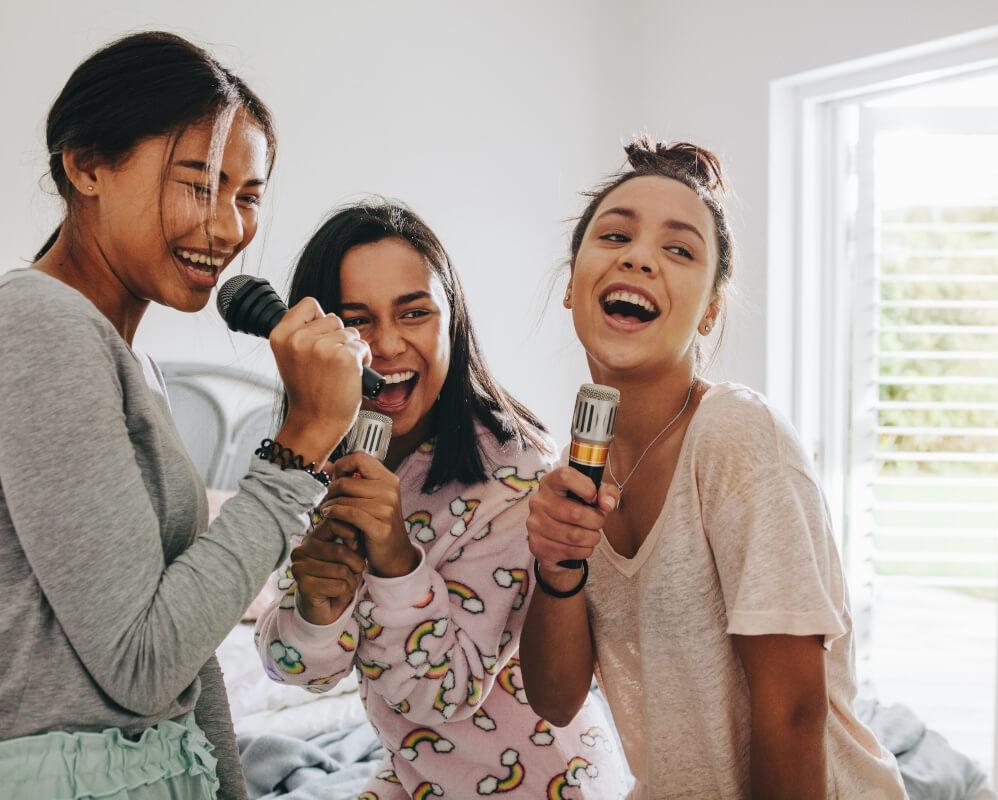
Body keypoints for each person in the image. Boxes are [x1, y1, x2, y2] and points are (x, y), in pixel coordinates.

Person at [0, 32, 371, 799]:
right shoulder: (37, 325)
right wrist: (300, 442)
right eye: (198, 183)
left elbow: (189, 646)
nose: (229, 227)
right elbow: (142, 663)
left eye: (248, 195)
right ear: (86, 164)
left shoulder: (127, 362)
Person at [519, 138, 910, 799]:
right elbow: (555, 701)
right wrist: (556, 569)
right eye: (615, 235)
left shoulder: (734, 436)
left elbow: (793, 712)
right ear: (571, 285)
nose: (638, 256)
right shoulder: (578, 469)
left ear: (709, 311)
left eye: (679, 250)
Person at [255, 200, 626, 799]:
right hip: (422, 778)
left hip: (545, 785)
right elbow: (298, 669)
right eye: (357, 321)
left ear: (452, 320)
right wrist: (319, 610)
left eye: (414, 313)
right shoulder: (315, 465)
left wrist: (397, 561)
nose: (388, 345)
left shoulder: (513, 472)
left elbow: (443, 693)